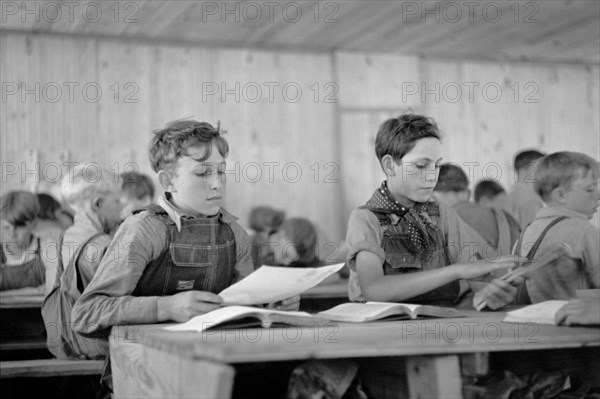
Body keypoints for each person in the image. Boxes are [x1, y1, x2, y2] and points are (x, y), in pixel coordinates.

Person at [72, 120, 299, 346]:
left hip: (216, 353)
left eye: (221, 171)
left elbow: (246, 305)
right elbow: (86, 314)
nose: (217, 184)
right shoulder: (143, 230)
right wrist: (165, 307)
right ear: (168, 181)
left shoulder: (234, 232)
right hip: (145, 361)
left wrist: (271, 307)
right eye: (202, 174)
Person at [346, 114, 518, 306]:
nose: (431, 176)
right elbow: (374, 290)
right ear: (389, 165)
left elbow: (480, 285)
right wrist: (456, 270)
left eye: (436, 165)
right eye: (421, 165)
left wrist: (497, 292)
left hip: (439, 326)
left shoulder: (443, 215)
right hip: (381, 331)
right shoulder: (366, 219)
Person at [475, 151, 599, 309]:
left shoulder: (529, 229)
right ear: (561, 195)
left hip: (532, 317)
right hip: (573, 322)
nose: (598, 195)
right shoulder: (585, 231)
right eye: (590, 189)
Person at [41, 165, 123, 359]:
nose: (122, 207)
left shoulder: (58, 241)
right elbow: (122, 305)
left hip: (62, 345)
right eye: (117, 201)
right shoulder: (102, 246)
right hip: (95, 348)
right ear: (97, 204)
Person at [432, 164, 520, 262]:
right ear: (467, 192)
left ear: (433, 194)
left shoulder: (441, 225)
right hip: (516, 275)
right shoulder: (504, 215)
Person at [272, 217, 342, 285]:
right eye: (286, 256)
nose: (287, 264)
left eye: (281, 237)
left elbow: (334, 277)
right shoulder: (274, 262)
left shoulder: (313, 266)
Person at [0, 191, 47, 292]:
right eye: (6, 227)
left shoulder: (48, 249)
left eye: (20, 227)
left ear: (34, 223)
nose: (12, 234)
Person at [502, 149, 546, 229]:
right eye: (541, 167)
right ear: (525, 169)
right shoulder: (531, 199)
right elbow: (534, 235)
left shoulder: (508, 196)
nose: (545, 172)